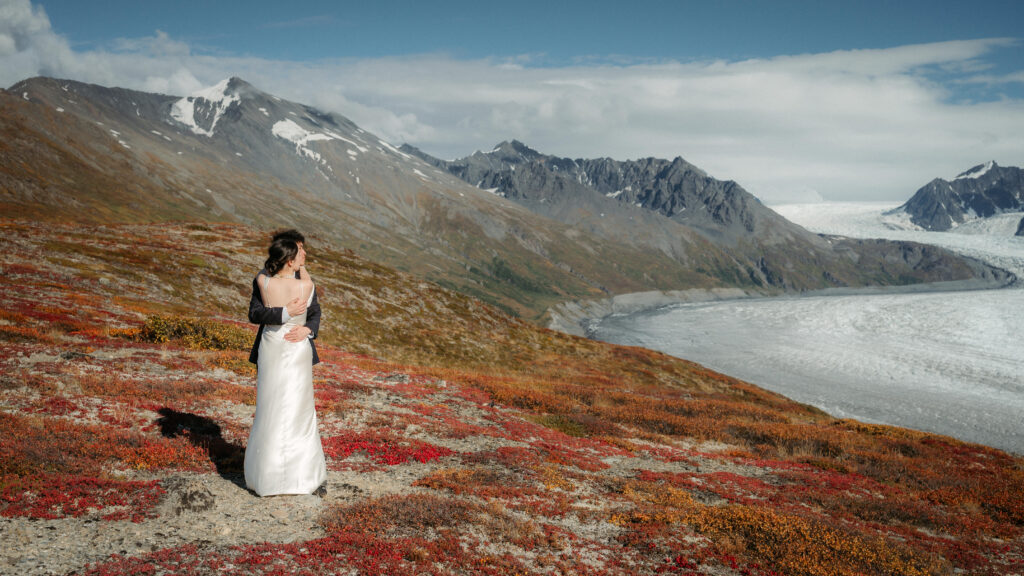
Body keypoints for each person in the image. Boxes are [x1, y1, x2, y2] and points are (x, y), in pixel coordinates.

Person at [243, 234, 327, 496]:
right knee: (279, 408)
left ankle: (270, 475)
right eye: (301, 251)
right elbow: (254, 313)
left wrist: (308, 330)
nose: (305, 255)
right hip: (280, 349)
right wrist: (284, 314)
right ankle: (300, 475)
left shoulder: (265, 279)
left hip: (286, 343)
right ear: (290, 258)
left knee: (290, 408)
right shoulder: (303, 284)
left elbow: (315, 313)